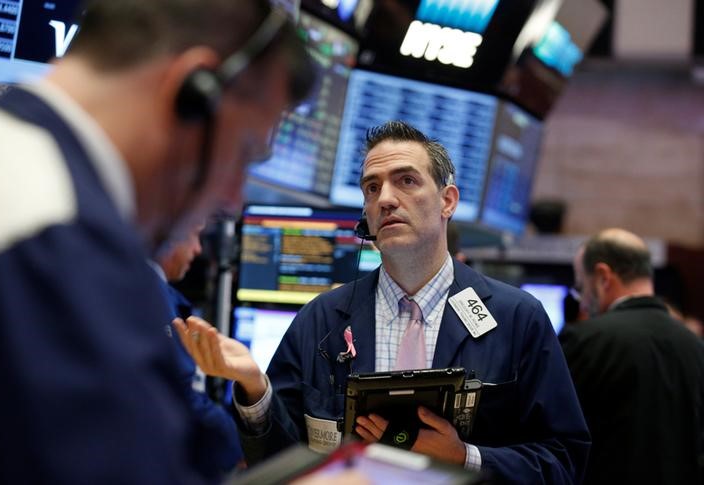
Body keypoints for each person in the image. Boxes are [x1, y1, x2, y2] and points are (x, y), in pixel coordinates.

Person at [0, 0, 314, 483]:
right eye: (242, 154)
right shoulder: (59, 245)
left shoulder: (1, 161)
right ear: (191, 91)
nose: (233, 200)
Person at [175, 121, 591, 484]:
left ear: (447, 200)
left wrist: (465, 458)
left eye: (406, 180)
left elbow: (565, 459)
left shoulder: (515, 317)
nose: (385, 198)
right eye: (372, 188)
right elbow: (282, 462)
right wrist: (253, 386)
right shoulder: (322, 320)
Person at [559, 228, 704, 485]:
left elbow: (555, 435)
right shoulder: (694, 344)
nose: (582, 303)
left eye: (581, 287)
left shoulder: (587, 339)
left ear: (603, 276)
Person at [151, 222, 244, 476]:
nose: (197, 249)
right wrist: (240, 446)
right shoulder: (150, 296)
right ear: (170, 236)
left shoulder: (154, 292)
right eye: (194, 236)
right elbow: (181, 395)